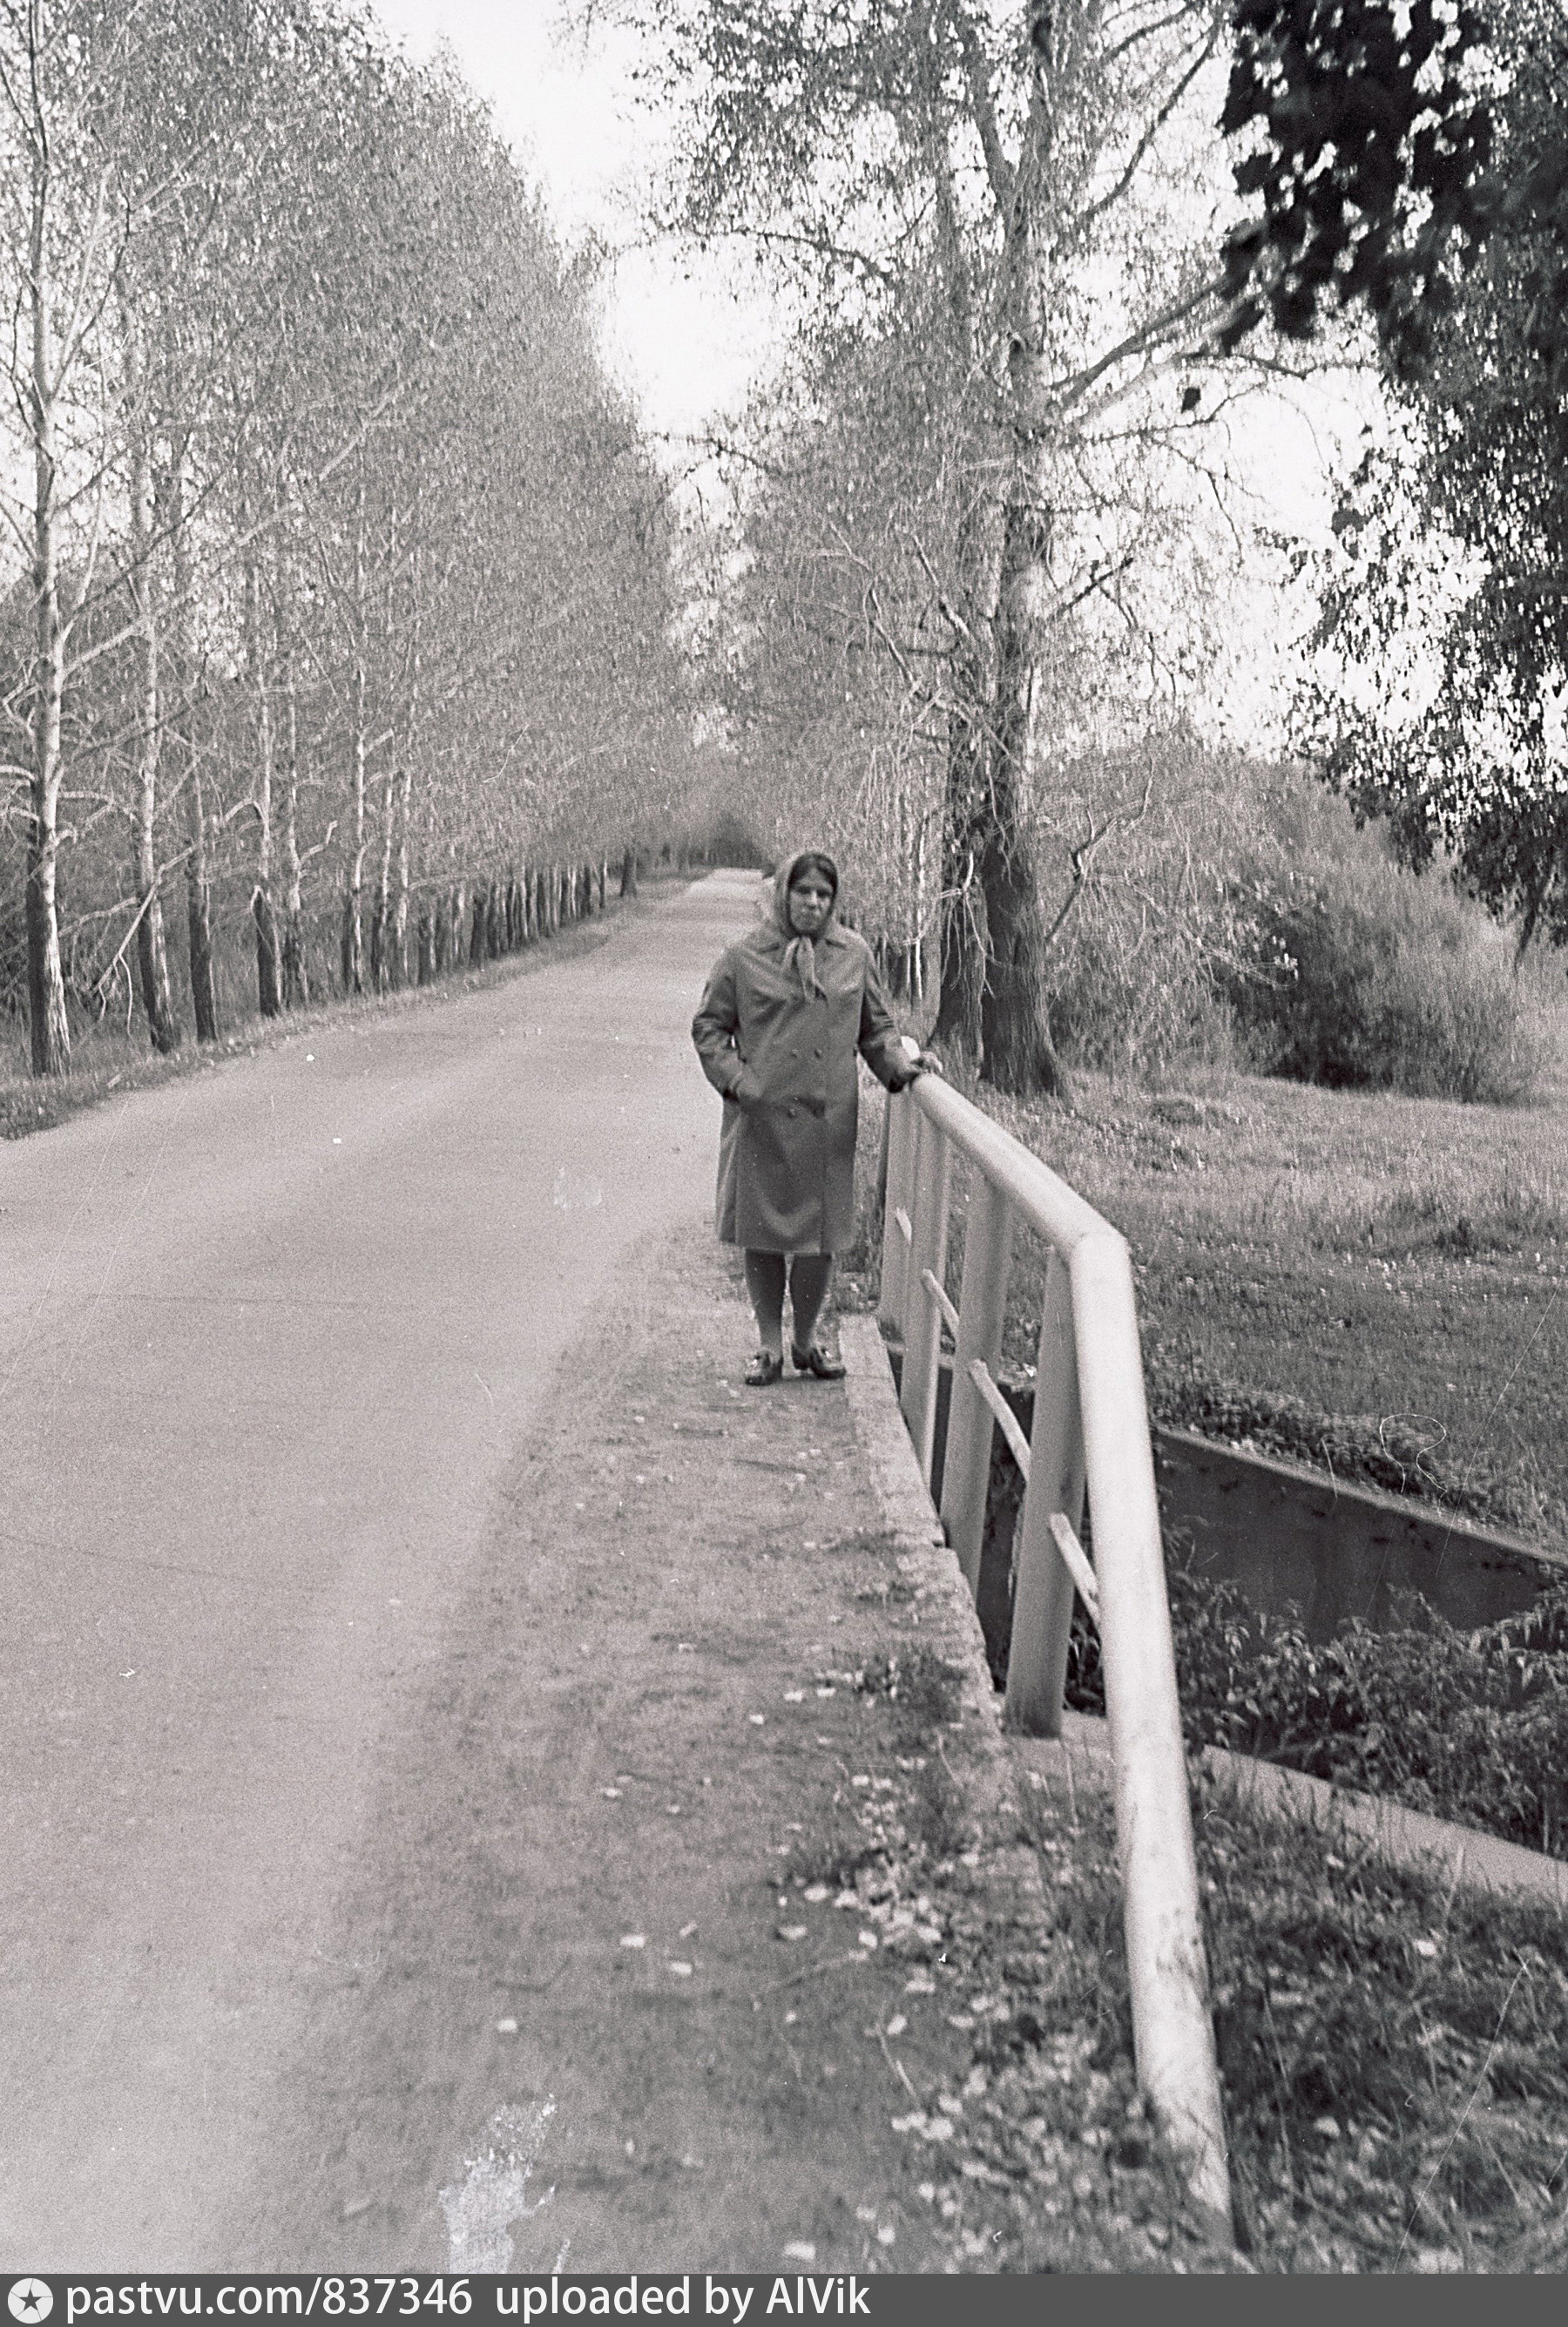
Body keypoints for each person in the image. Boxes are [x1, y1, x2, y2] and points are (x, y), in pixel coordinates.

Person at [692, 847, 940, 1386]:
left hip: (828, 1122)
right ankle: (768, 1346)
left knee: (821, 1237)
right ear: (783, 893)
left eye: (823, 894)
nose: (812, 902)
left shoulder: (853, 954)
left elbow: (876, 1029)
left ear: (833, 901)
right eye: (802, 891)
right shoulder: (742, 956)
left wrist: (902, 1065)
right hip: (761, 1117)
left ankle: (805, 1343)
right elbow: (709, 1029)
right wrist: (739, 1082)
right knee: (761, 1234)